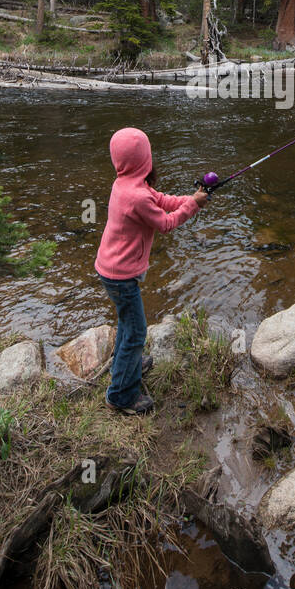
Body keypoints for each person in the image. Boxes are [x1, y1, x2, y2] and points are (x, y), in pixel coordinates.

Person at [95, 126, 208, 416]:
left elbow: (161, 200)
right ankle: (120, 395)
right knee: (136, 332)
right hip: (120, 276)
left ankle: (127, 367)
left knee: (128, 324)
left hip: (111, 270)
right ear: (143, 159)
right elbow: (167, 223)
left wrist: (189, 198)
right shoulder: (137, 196)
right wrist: (193, 206)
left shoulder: (126, 184)